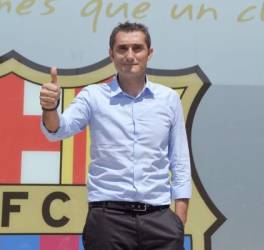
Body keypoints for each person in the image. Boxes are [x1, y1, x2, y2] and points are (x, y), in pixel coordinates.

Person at [40, 21, 191, 250]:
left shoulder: (168, 99)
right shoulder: (93, 96)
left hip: (160, 221)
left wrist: (178, 221)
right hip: (108, 221)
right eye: (122, 49)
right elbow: (58, 130)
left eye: (137, 48)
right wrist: (50, 108)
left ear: (149, 53)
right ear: (111, 54)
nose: (130, 55)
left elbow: (179, 160)